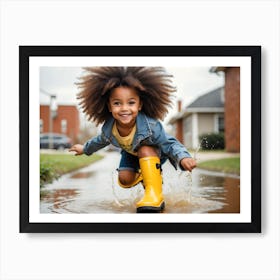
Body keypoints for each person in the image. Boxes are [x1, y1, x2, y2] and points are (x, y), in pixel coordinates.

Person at [69, 67, 196, 213]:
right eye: (117, 103)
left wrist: (183, 157)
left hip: (152, 154)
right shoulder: (109, 129)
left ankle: (154, 194)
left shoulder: (152, 126)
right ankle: (148, 177)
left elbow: (169, 143)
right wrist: (85, 148)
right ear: (109, 106)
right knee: (124, 180)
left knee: (145, 148)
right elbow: (99, 141)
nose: (124, 108)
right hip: (130, 155)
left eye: (131, 103)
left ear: (139, 105)